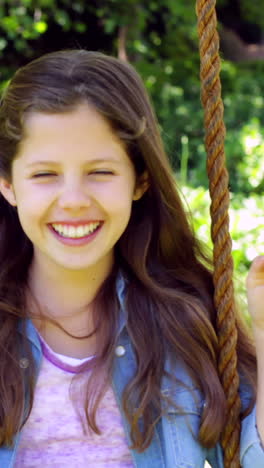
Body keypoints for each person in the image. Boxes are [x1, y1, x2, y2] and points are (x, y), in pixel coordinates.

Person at [0, 49, 263, 468]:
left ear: (140, 180)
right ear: (8, 184)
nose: (73, 201)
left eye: (100, 172)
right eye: (45, 174)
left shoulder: (185, 319)